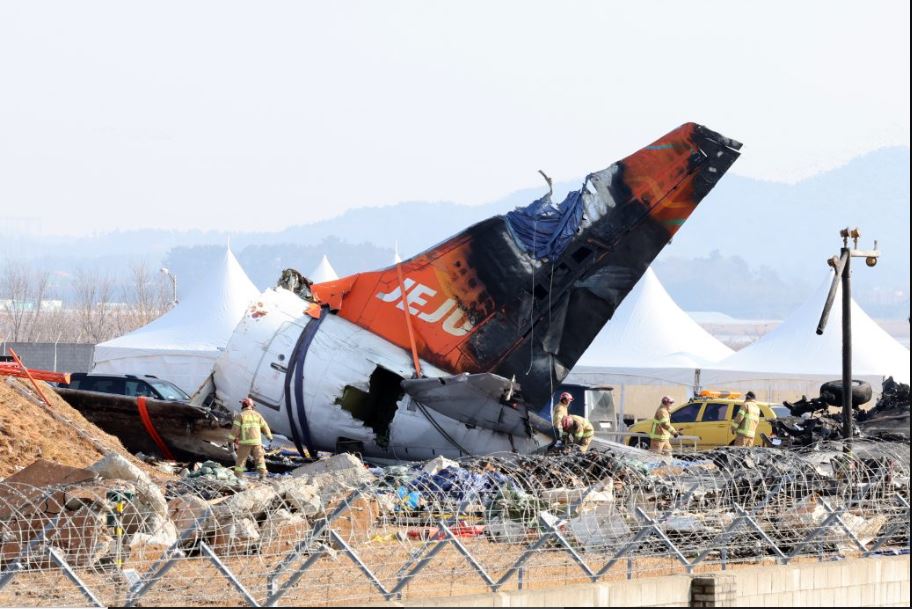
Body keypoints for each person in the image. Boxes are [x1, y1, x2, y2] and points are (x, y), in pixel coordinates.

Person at [227, 397, 274, 480]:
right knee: (260, 460)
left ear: (244, 405)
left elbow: (235, 430)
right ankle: (263, 476)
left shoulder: (240, 416)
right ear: (252, 405)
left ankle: (238, 477)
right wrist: (269, 436)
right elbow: (265, 426)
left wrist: (230, 441)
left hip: (245, 443)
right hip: (257, 442)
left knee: (241, 461)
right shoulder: (257, 415)